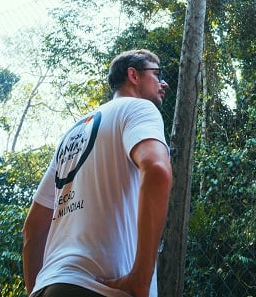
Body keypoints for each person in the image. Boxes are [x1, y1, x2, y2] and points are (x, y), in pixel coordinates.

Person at [22, 49, 173, 297]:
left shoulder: (73, 133)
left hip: (51, 286)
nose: (163, 83)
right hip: (103, 287)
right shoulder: (139, 110)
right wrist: (140, 279)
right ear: (133, 75)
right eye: (157, 74)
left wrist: (35, 290)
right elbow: (157, 169)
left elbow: (33, 228)